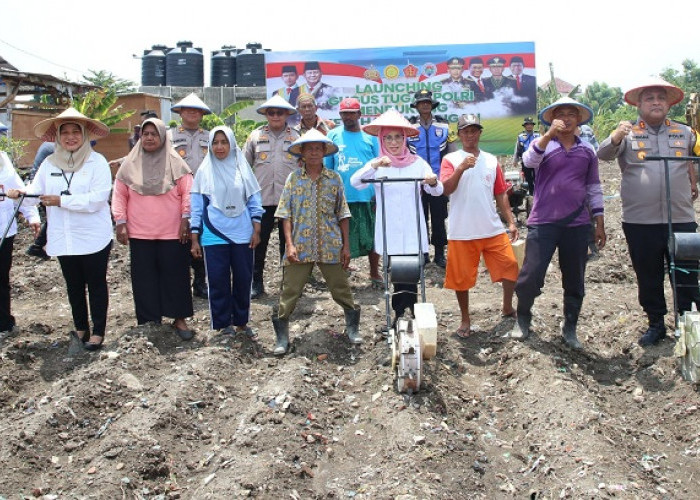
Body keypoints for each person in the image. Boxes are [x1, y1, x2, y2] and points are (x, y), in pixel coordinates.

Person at [598, 78, 698, 346]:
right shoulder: (627, 133)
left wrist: (693, 178)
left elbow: (694, 162)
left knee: (687, 274)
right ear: (639, 104)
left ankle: (686, 323)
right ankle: (656, 323)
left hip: (681, 218)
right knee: (648, 274)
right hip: (640, 221)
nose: (656, 102)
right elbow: (603, 154)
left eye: (661, 98)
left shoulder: (685, 132)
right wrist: (616, 135)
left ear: (668, 104)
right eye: (650, 98)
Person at [10, 108, 113, 351]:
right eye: (64, 132)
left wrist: (62, 201)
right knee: (73, 284)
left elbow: (97, 199)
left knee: (96, 283)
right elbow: (35, 192)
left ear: (85, 134)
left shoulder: (96, 162)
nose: (70, 137)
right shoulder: (49, 163)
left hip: (92, 236)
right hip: (64, 236)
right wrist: (20, 194)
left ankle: (98, 331)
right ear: (57, 137)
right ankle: (80, 326)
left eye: (75, 132)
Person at [511, 97, 606, 349]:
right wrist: (547, 135)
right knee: (531, 275)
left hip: (577, 223)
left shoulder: (587, 151)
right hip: (543, 222)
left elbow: (594, 187)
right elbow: (528, 161)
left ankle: (570, 326)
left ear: (578, 120)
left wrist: (599, 222)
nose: (566, 117)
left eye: (571, 114)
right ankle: (523, 319)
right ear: (551, 119)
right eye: (560, 114)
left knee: (575, 278)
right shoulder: (541, 145)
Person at [350, 109, 443, 326]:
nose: (393, 142)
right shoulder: (378, 165)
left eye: (398, 137)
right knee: (395, 272)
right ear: (382, 140)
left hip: (413, 227)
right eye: (388, 138)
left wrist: (431, 181)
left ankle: (410, 310)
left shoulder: (418, 162)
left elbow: (437, 191)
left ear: (405, 139)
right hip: (389, 228)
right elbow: (355, 182)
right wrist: (373, 166)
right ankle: (398, 312)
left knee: (413, 272)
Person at [272, 129, 361, 355]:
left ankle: (352, 327)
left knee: (340, 288)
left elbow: (343, 213)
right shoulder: (294, 179)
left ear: (324, 152)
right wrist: (289, 244)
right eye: (309, 148)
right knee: (290, 290)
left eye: (317, 148)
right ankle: (282, 336)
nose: (313, 152)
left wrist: (346, 246)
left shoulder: (334, 179)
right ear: (302, 152)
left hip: (330, 244)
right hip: (300, 246)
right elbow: (285, 215)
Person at [112, 118, 195, 341]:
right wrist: (120, 221)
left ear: (162, 137)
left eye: (154, 134)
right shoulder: (129, 165)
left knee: (176, 276)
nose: (149, 138)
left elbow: (188, 192)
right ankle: (149, 321)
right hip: (140, 234)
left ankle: (179, 318)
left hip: (173, 233)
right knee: (144, 279)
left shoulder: (176, 163)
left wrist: (186, 219)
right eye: (145, 134)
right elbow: (119, 194)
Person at [440, 114, 519, 337]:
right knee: (461, 279)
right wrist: (461, 169)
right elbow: (446, 189)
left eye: (474, 130)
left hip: (491, 228)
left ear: (480, 133)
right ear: (459, 134)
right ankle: (465, 319)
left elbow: (501, 192)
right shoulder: (451, 159)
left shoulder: (492, 160)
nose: (470, 135)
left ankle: (506, 306)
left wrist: (511, 222)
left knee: (510, 266)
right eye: (465, 131)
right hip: (462, 230)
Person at [190, 126, 263, 338]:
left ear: (231, 144)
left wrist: (256, 227)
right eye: (215, 142)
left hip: (242, 232)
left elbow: (254, 200)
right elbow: (196, 205)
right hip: (214, 233)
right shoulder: (204, 171)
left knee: (243, 278)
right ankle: (223, 324)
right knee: (218, 280)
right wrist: (195, 236)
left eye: (224, 142)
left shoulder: (242, 168)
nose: (219, 147)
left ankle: (241, 322)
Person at [244, 95, 300, 298]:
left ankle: (289, 284)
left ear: (287, 114)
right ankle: (256, 282)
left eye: (279, 112)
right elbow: (244, 167)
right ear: (266, 114)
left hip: (290, 200)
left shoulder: (296, 137)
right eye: (271, 112)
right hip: (262, 199)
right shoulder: (255, 136)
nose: (275, 116)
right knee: (258, 241)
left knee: (289, 243)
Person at [325, 97, 382, 284]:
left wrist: (377, 194)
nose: (348, 117)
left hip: (368, 196)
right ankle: (342, 273)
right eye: (344, 113)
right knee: (342, 238)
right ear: (340, 115)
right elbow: (328, 167)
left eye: (351, 113)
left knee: (373, 236)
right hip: (342, 197)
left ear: (359, 114)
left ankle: (374, 272)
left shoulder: (371, 137)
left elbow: (380, 166)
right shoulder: (332, 136)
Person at [171, 93, 212, 299]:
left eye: (196, 110)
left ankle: (200, 281)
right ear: (180, 112)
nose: (192, 113)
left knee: (202, 236)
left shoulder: (210, 137)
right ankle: (180, 283)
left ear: (202, 114)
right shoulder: (169, 136)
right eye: (187, 109)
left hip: (205, 194)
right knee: (181, 236)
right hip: (177, 194)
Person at [407, 89, 453, 267]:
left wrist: (448, 177)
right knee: (420, 218)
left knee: (439, 217)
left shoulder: (443, 124)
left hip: (438, 181)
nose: (424, 105)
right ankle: (423, 253)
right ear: (416, 106)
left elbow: (451, 150)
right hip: (416, 181)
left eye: (427, 102)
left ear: (432, 104)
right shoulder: (409, 126)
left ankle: (440, 254)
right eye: (421, 102)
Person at [0, 151, 40, 333]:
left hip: (3, 231)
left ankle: (4, 324)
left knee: (1, 278)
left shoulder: (3, 161)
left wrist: (32, 215)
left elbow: (18, 191)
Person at [25, 141, 55, 260]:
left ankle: (38, 245)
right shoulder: (54, 148)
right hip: (43, 186)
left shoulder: (47, 145)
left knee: (52, 218)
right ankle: (37, 246)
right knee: (54, 217)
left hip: (38, 183)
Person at [513, 117, 540, 195]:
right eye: (527, 124)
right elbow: (517, 149)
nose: (529, 126)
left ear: (533, 125)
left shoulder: (537, 135)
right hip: (525, 161)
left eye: (531, 124)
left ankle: (538, 193)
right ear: (524, 126)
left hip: (536, 161)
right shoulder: (521, 136)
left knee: (537, 178)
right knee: (528, 178)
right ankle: (531, 194)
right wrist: (515, 160)